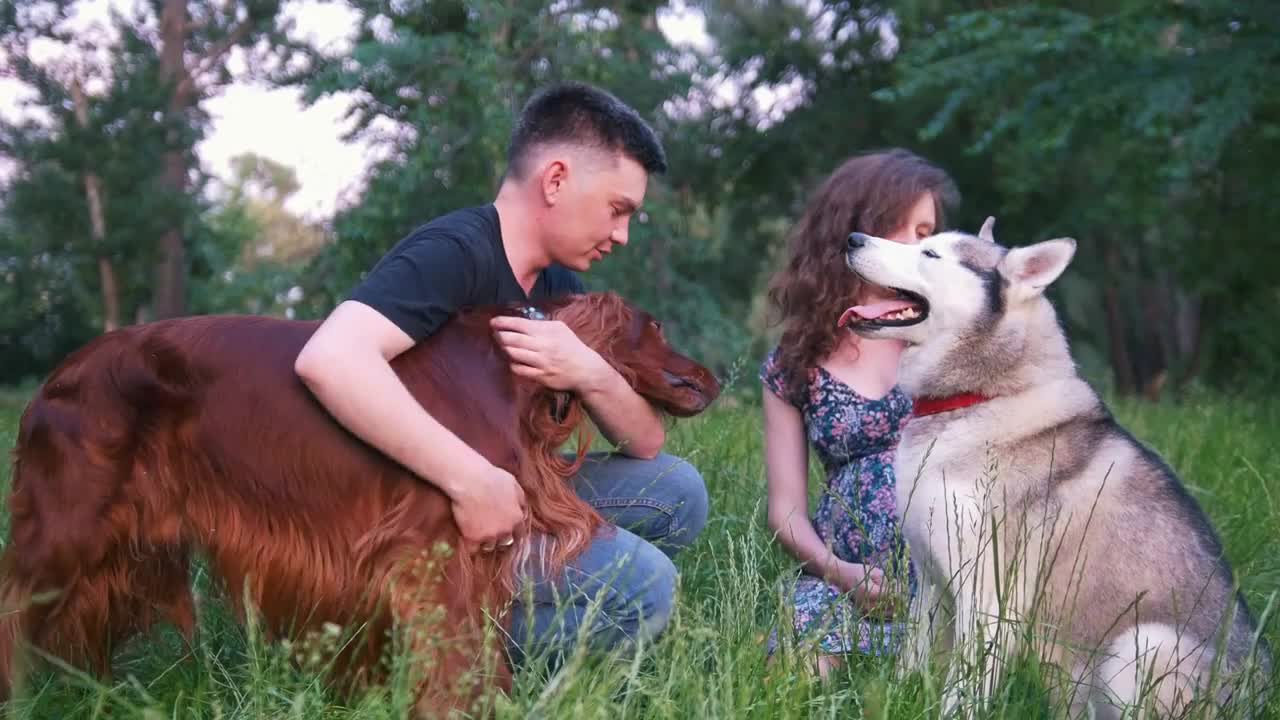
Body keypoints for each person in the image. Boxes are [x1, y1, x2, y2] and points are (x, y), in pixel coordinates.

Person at [293, 82, 709, 670]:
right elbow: (330, 358)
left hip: (511, 491)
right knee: (646, 586)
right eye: (618, 210)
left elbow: (645, 443)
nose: (622, 235)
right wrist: (469, 480)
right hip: (421, 515)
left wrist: (589, 370)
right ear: (557, 180)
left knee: (678, 493)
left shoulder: (559, 287)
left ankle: (504, 610)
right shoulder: (452, 252)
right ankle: (415, 652)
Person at [760, 149, 959, 677]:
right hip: (845, 577)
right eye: (913, 229)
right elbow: (785, 513)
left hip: (949, 578)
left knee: (947, 664)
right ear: (862, 226)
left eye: (930, 232)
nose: (926, 246)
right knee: (797, 662)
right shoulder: (795, 363)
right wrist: (840, 572)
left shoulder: (945, 337)